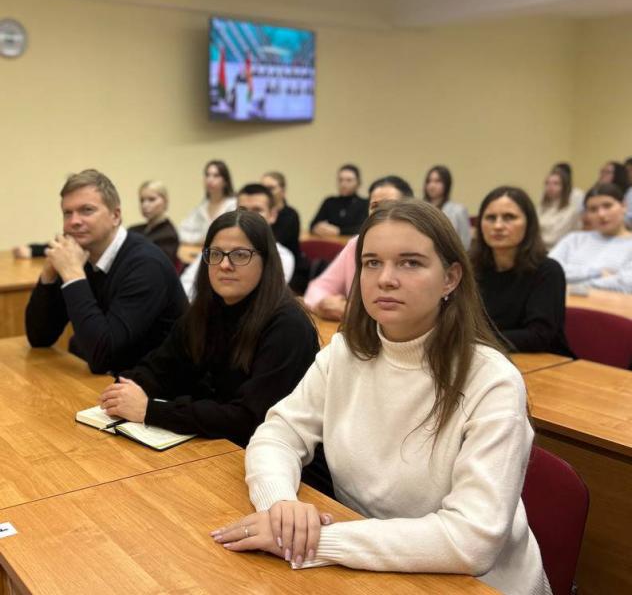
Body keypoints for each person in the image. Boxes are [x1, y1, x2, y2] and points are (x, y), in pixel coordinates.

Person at [211, 200, 550, 595]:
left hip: (476, 584)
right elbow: (277, 435)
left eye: (410, 263)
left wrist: (315, 541)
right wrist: (280, 506)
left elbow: (471, 540)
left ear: (450, 278)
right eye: (371, 263)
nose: (385, 279)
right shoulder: (344, 353)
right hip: (370, 568)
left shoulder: (493, 381)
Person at [98, 210, 318, 447]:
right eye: (216, 254)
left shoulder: (288, 327)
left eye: (240, 255)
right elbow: (160, 369)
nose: (224, 265)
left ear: (266, 261)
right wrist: (125, 391)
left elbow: (248, 419)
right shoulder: (205, 311)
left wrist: (150, 411)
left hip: (268, 453)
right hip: (211, 444)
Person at [25, 169, 188, 374]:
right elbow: (39, 338)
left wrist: (73, 275)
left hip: (155, 385)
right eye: (67, 213)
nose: (74, 221)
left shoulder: (147, 265)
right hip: (109, 380)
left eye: (87, 210)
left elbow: (104, 357)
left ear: (115, 216)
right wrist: (48, 275)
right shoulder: (81, 254)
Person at [472, 186, 572, 355]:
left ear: (529, 224)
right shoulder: (471, 268)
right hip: (487, 356)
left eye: (509, 217)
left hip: (545, 361)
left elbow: (539, 336)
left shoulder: (548, 271)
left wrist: (474, 340)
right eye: (490, 218)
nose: (498, 226)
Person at [304, 175, 414, 321]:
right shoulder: (356, 244)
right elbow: (318, 287)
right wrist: (322, 305)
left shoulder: (418, 251)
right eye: (374, 206)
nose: (380, 214)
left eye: (389, 206)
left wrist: (353, 312)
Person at [181, 184, 295, 301]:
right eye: (243, 210)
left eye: (257, 210)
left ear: (272, 215)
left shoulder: (283, 257)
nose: (248, 217)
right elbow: (187, 283)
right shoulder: (217, 246)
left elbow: (268, 296)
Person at [550, 183, 632, 293]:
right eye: (593, 209)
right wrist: (596, 273)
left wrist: (574, 287)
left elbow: (626, 284)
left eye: (607, 206)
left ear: (624, 206)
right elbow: (550, 270)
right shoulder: (574, 239)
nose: (601, 214)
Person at [179, 160, 237, 243]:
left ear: (225, 181)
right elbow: (181, 232)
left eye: (216, 175)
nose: (210, 179)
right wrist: (200, 240)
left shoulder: (233, 205)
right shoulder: (202, 207)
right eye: (207, 175)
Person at [128, 180, 179, 265]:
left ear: (165, 202)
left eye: (151, 199)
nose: (145, 205)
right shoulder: (133, 230)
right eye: (142, 200)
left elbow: (156, 265)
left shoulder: (169, 236)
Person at [310, 164, 368, 237]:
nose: (343, 184)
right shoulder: (329, 202)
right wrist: (318, 228)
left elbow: (362, 229)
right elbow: (313, 225)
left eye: (349, 180)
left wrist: (339, 231)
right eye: (340, 180)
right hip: (329, 241)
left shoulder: (364, 204)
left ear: (358, 183)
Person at [423, 165, 471, 249]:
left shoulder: (458, 210)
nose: (432, 185)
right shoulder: (421, 209)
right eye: (429, 181)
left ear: (447, 184)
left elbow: (465, 242)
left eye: (437, 181)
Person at [537, 168, 581, 250]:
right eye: (547, 183)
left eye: (556, 183)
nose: (550, 187)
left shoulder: (571, 211)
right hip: (538, 248)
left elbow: (553, 238)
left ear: (565, 187)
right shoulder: (542, 207)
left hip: (555, 251)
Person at [261, 171, 301, 262]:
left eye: (271, 188)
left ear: (283, 191)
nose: (266, 192)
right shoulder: (258, 213)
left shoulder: (291, 215)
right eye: (263, 188)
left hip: (286, 262)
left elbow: (273, 243)